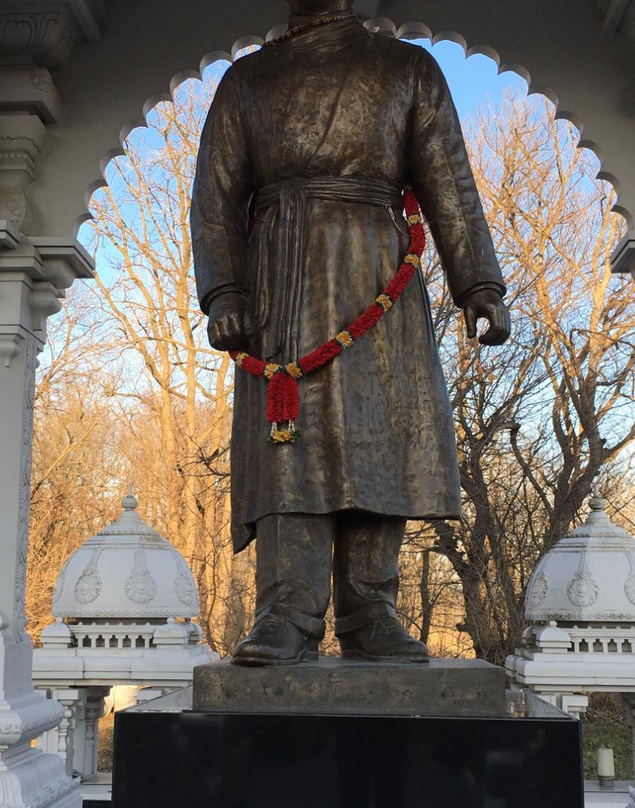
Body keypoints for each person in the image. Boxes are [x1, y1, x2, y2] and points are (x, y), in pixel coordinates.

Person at [191, 0, 511, 666]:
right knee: (293, 445)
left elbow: (448, 178)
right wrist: (225, 290)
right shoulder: (248, 81)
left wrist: (478, 282)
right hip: (281, 274)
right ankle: (286, 611)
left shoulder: (405, 69)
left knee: (378, 438)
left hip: (376, 273)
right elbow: (216, 196)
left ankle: (372, 611)